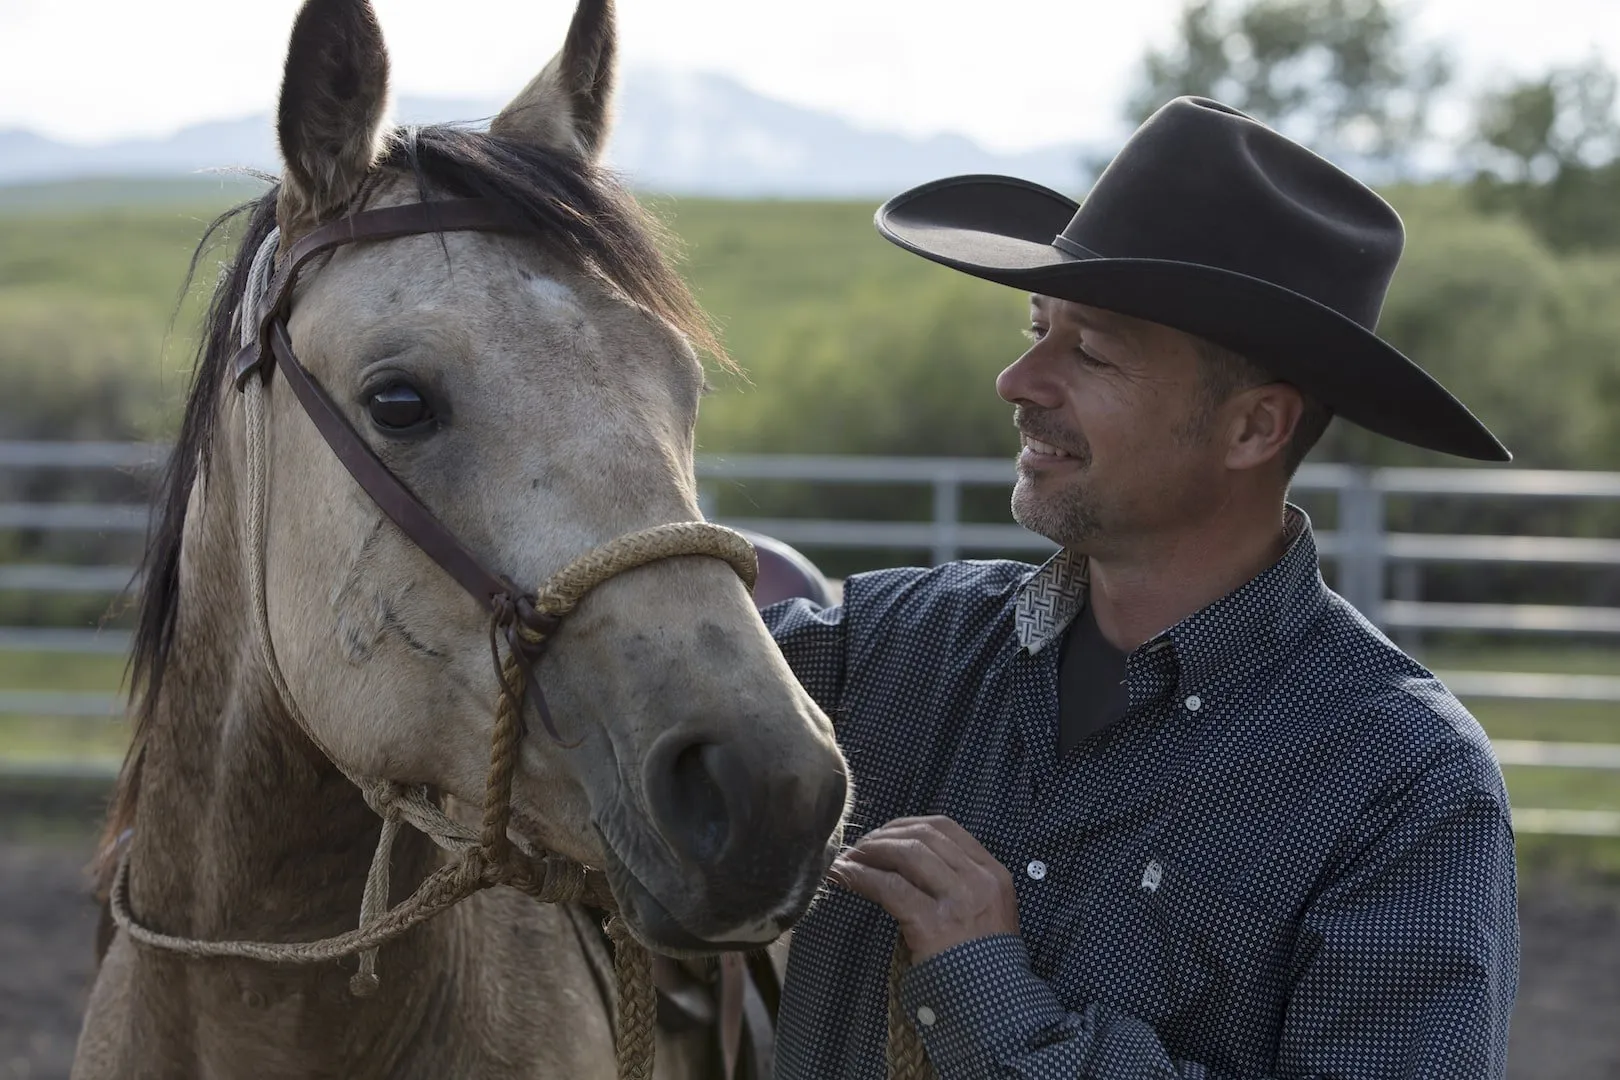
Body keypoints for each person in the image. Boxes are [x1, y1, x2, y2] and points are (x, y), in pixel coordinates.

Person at [760, 97, 1520, 1078]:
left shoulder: (1402, 785)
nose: (1019, 378)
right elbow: (582, 679)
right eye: (1039, 326)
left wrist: (986, 989)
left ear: (1254, 428)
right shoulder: (897, 646)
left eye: (1091, 350)